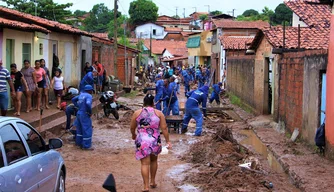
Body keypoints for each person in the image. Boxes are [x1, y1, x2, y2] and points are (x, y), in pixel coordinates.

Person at [130, 94, 171, 192]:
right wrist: (168, 141)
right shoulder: (159, 113)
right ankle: (153, 181)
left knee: (144, 164)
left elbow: (132, 127)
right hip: (155, 140)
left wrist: (133, 135)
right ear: (153, 103)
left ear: (143, 103)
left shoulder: (137, 113)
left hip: (142, 141)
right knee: (154, 161)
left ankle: (146, 186)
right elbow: (164, 128)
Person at [72, 85, 94, 150]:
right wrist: (89, 112)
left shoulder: (81, 95)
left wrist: (78, 106)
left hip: (79, 113)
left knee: (79, 129)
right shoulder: (89, 96)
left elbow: (73, 99)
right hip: (84, 114)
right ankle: (86, 146)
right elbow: (88, 103)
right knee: (87, 129)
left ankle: (79, 143)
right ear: (89, 90)